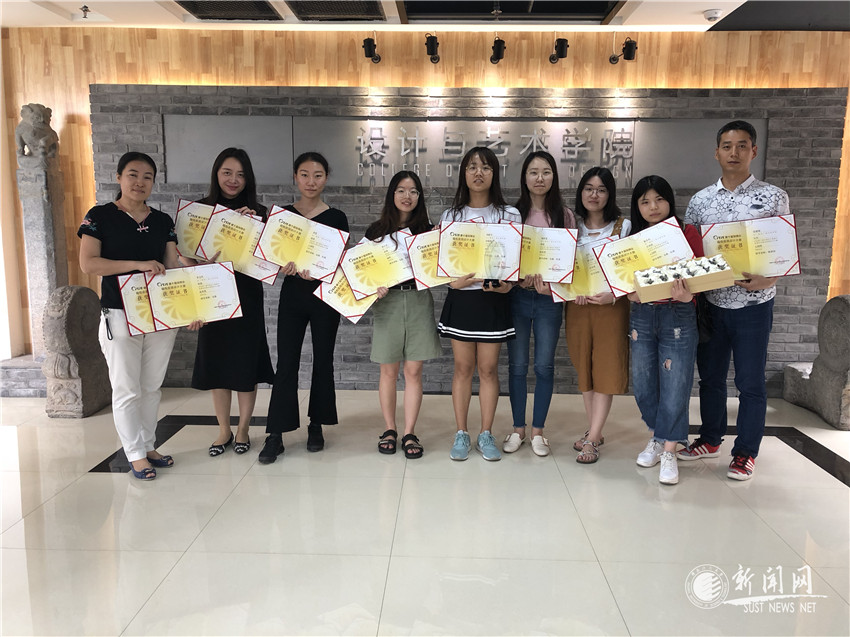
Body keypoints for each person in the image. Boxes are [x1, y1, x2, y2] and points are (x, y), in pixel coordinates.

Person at [678, 120, 790, 481]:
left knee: (750, 382)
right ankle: (710, 439)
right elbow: (689, 250)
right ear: (716, 153)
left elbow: (783, 249)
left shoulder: (773, 197)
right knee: (710, 379)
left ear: (753, 151)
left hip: (754, 304)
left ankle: (745, 452)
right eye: (727, 146)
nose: (734, 152)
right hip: (711, 304)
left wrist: (769, 278)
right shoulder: (701, 201)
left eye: (742, 145)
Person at [78, 151, 199, 480]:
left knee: (151, 386)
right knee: (126, 388)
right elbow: (89, 263)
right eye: (132, 174)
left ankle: (147, 445)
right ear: (119, 177)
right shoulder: (99, 216)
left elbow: (172, 267)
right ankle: (134, 453)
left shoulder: (162, 221)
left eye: (147, 177)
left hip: (159, 316)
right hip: (119, 313)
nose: (140, 182)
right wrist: (137, 265)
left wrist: (193, 303)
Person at [179, 148, 274, 457]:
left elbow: (269, 259)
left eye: (241, 175)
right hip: (211, 295)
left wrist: (253, 227)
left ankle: (243, 428)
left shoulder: (259, 213)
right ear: (216, 174)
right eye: (227, 173)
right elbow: (184, 256)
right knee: (217, 361)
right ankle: (223, 430)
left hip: (246, 294)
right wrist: (199, 263)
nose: (234, 180)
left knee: (246, 363)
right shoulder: (200, 211)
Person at [259, 152, 349, 464]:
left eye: (318, 175)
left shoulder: (337, 217)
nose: (311, 181)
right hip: (293, 295)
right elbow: (269, 257)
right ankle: (276, 434)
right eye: (305, 174)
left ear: (326, 178)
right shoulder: (283, 216)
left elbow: (340, 262)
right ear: (295, 177)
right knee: (287, 363)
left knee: (323, 360)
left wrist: (323, 270)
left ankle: (316, 425)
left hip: (325, 297)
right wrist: (281, 266)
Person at [438, 146, 521, 462]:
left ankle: (486, 433)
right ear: (463, 173)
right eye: (472, 167)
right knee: (462, 368)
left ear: (494, 174)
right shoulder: (451, 216)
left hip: (492, 301)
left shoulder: (509, 215)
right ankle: (461, 432)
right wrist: (451, 282)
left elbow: (515, 263)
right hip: (462, 300)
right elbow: (441, 265)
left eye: (486, 167)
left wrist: (509, 285)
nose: (478, 173)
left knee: (488, 369)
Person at [625, 175, 703, 485]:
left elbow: (702, 273)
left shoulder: (687, 233)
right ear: (637, 207)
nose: (653, 206)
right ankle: (658, 436)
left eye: (659, 199)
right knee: (644, 383)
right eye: (645, 201)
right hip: (642, 315)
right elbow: (622, 279)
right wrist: (628, 293)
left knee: (675, 384)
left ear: (670, 201)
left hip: (678, 314)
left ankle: (669, 449)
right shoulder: (633, 238)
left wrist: (689, 294)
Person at [503, 151, 576, 458]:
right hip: (518, 298)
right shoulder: (512, 214)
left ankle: (538, 432)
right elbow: (504, 257)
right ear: (524, 177)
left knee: (544, 366)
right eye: (533, 172)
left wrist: (553, 285)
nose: (539, 178)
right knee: (517, 366)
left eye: (546, 172)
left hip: (549, 301)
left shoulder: (565, 215)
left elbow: (570, 262)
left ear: (553, 177)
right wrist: (516, 279)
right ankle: (518, 429)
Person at [367, 171, 442, 459]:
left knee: (413, 371)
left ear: (419, 197)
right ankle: (389, 429)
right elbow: (363, 271)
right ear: (392, 194)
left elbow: (439, 270)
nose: (407, 196)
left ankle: (410, 431)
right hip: (388, 303)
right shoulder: (376, 232)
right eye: (401, 190)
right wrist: (373, 286)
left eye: (413, 191)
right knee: (388, 371)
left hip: (419, 300)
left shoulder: (429, 232)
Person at [565, 167, 631, 464]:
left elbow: (631, 271)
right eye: (589, 188)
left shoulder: (623, 227)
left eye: (601, 190)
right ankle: (595, 429)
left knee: (606, 369)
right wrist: (569, 290)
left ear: (610, 195)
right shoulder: (571, 228)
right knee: (585, 368)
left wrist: (613, 295)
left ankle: (592, 439)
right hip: (577, 308)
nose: (594, 195)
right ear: (581, 192)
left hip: (610, 308)